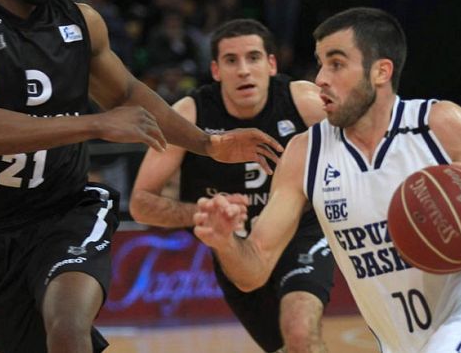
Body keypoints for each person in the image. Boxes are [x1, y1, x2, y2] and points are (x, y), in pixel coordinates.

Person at [0, 0, 282, 353]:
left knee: (68, 326)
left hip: (66, 210)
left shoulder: (80, 21)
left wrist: (209, 144)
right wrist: (94, 124)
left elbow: (128, 93)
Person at [194, 7, 461, 353]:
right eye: (320, 64)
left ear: (380, 72)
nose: (320, 78)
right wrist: (226, 240)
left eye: (336, 63)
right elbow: (253, 271)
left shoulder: (439, 125)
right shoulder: (305, 155)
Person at [130, 19, 332, 353]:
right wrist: (207, 214)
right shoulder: (188, 115)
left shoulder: (304, 101)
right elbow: (140, 203)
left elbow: (357, 154)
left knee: (300, 332)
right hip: (233, 247)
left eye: (253, 58)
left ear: (271, 64)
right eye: (231, 61)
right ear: (215, 70)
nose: (243, 71)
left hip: (299, 234)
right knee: (285, 347)